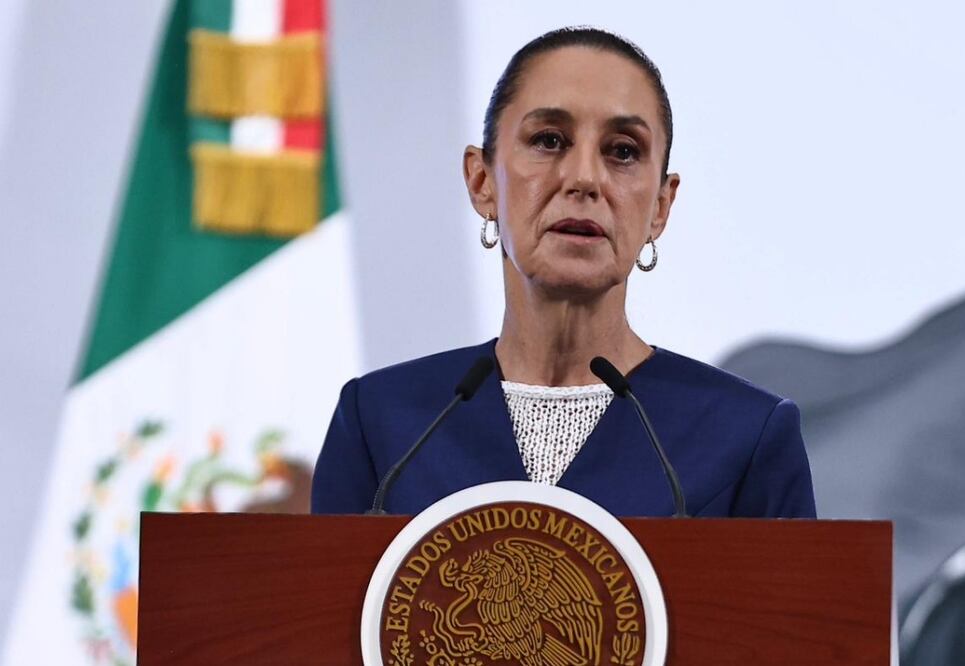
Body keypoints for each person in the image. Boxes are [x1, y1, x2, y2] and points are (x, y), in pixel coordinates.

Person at [311, 27, 815, 518]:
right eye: (549, 140)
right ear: (482, 181)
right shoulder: (383, 424)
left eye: (622, 151)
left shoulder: (746, 436)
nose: (584, 179)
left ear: (661, 207)